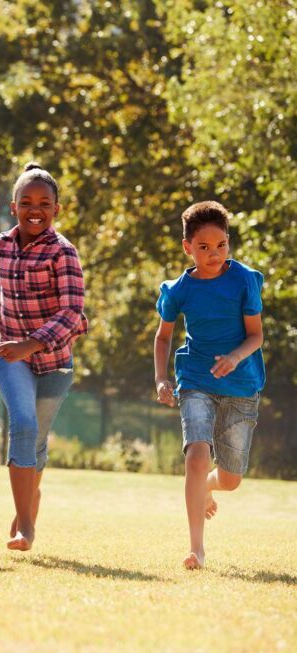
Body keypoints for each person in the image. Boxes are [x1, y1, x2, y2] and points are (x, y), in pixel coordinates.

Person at [0, 162, 88, 552]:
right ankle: (26, 526)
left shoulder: (64, 253)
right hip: (10, 354)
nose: (34, 209)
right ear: (13, 206)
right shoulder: (2, 246)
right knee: (22, 426)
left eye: (44, 202)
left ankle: (28, 503)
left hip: (55, 362)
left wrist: (32, 344)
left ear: (56, 208)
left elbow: (72, 313)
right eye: (26, 202)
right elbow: (4, 279)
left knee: (37, 441)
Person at [153, 200, 264, 570]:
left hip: (242, 383)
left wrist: (234, 357)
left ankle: (208, 489)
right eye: (204, 247)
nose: (214, 254)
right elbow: (163, 338)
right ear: (187, 247)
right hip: (196, 377)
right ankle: (196, 549)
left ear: (229, 243)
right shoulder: (179, 289)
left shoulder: (244, 279)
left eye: (221, 246)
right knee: (197, 456)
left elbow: (256, 336)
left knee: (230, 480)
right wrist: (161, 378)